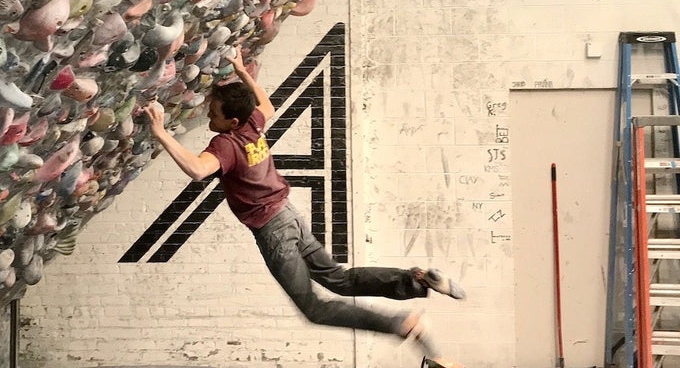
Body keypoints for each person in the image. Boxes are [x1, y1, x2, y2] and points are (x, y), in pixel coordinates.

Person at [142, 48, 467, 368]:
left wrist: (160, 132)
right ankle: (417, 280)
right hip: (290, 216)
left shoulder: (226, 144)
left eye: (214, 114)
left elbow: (198, 169)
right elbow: (266, 105)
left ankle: (400, 324)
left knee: (314, 307)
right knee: (340, 279)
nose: (210, 118)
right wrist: (241, 72)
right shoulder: (253, 125)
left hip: (274, 232)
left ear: (233, 121)